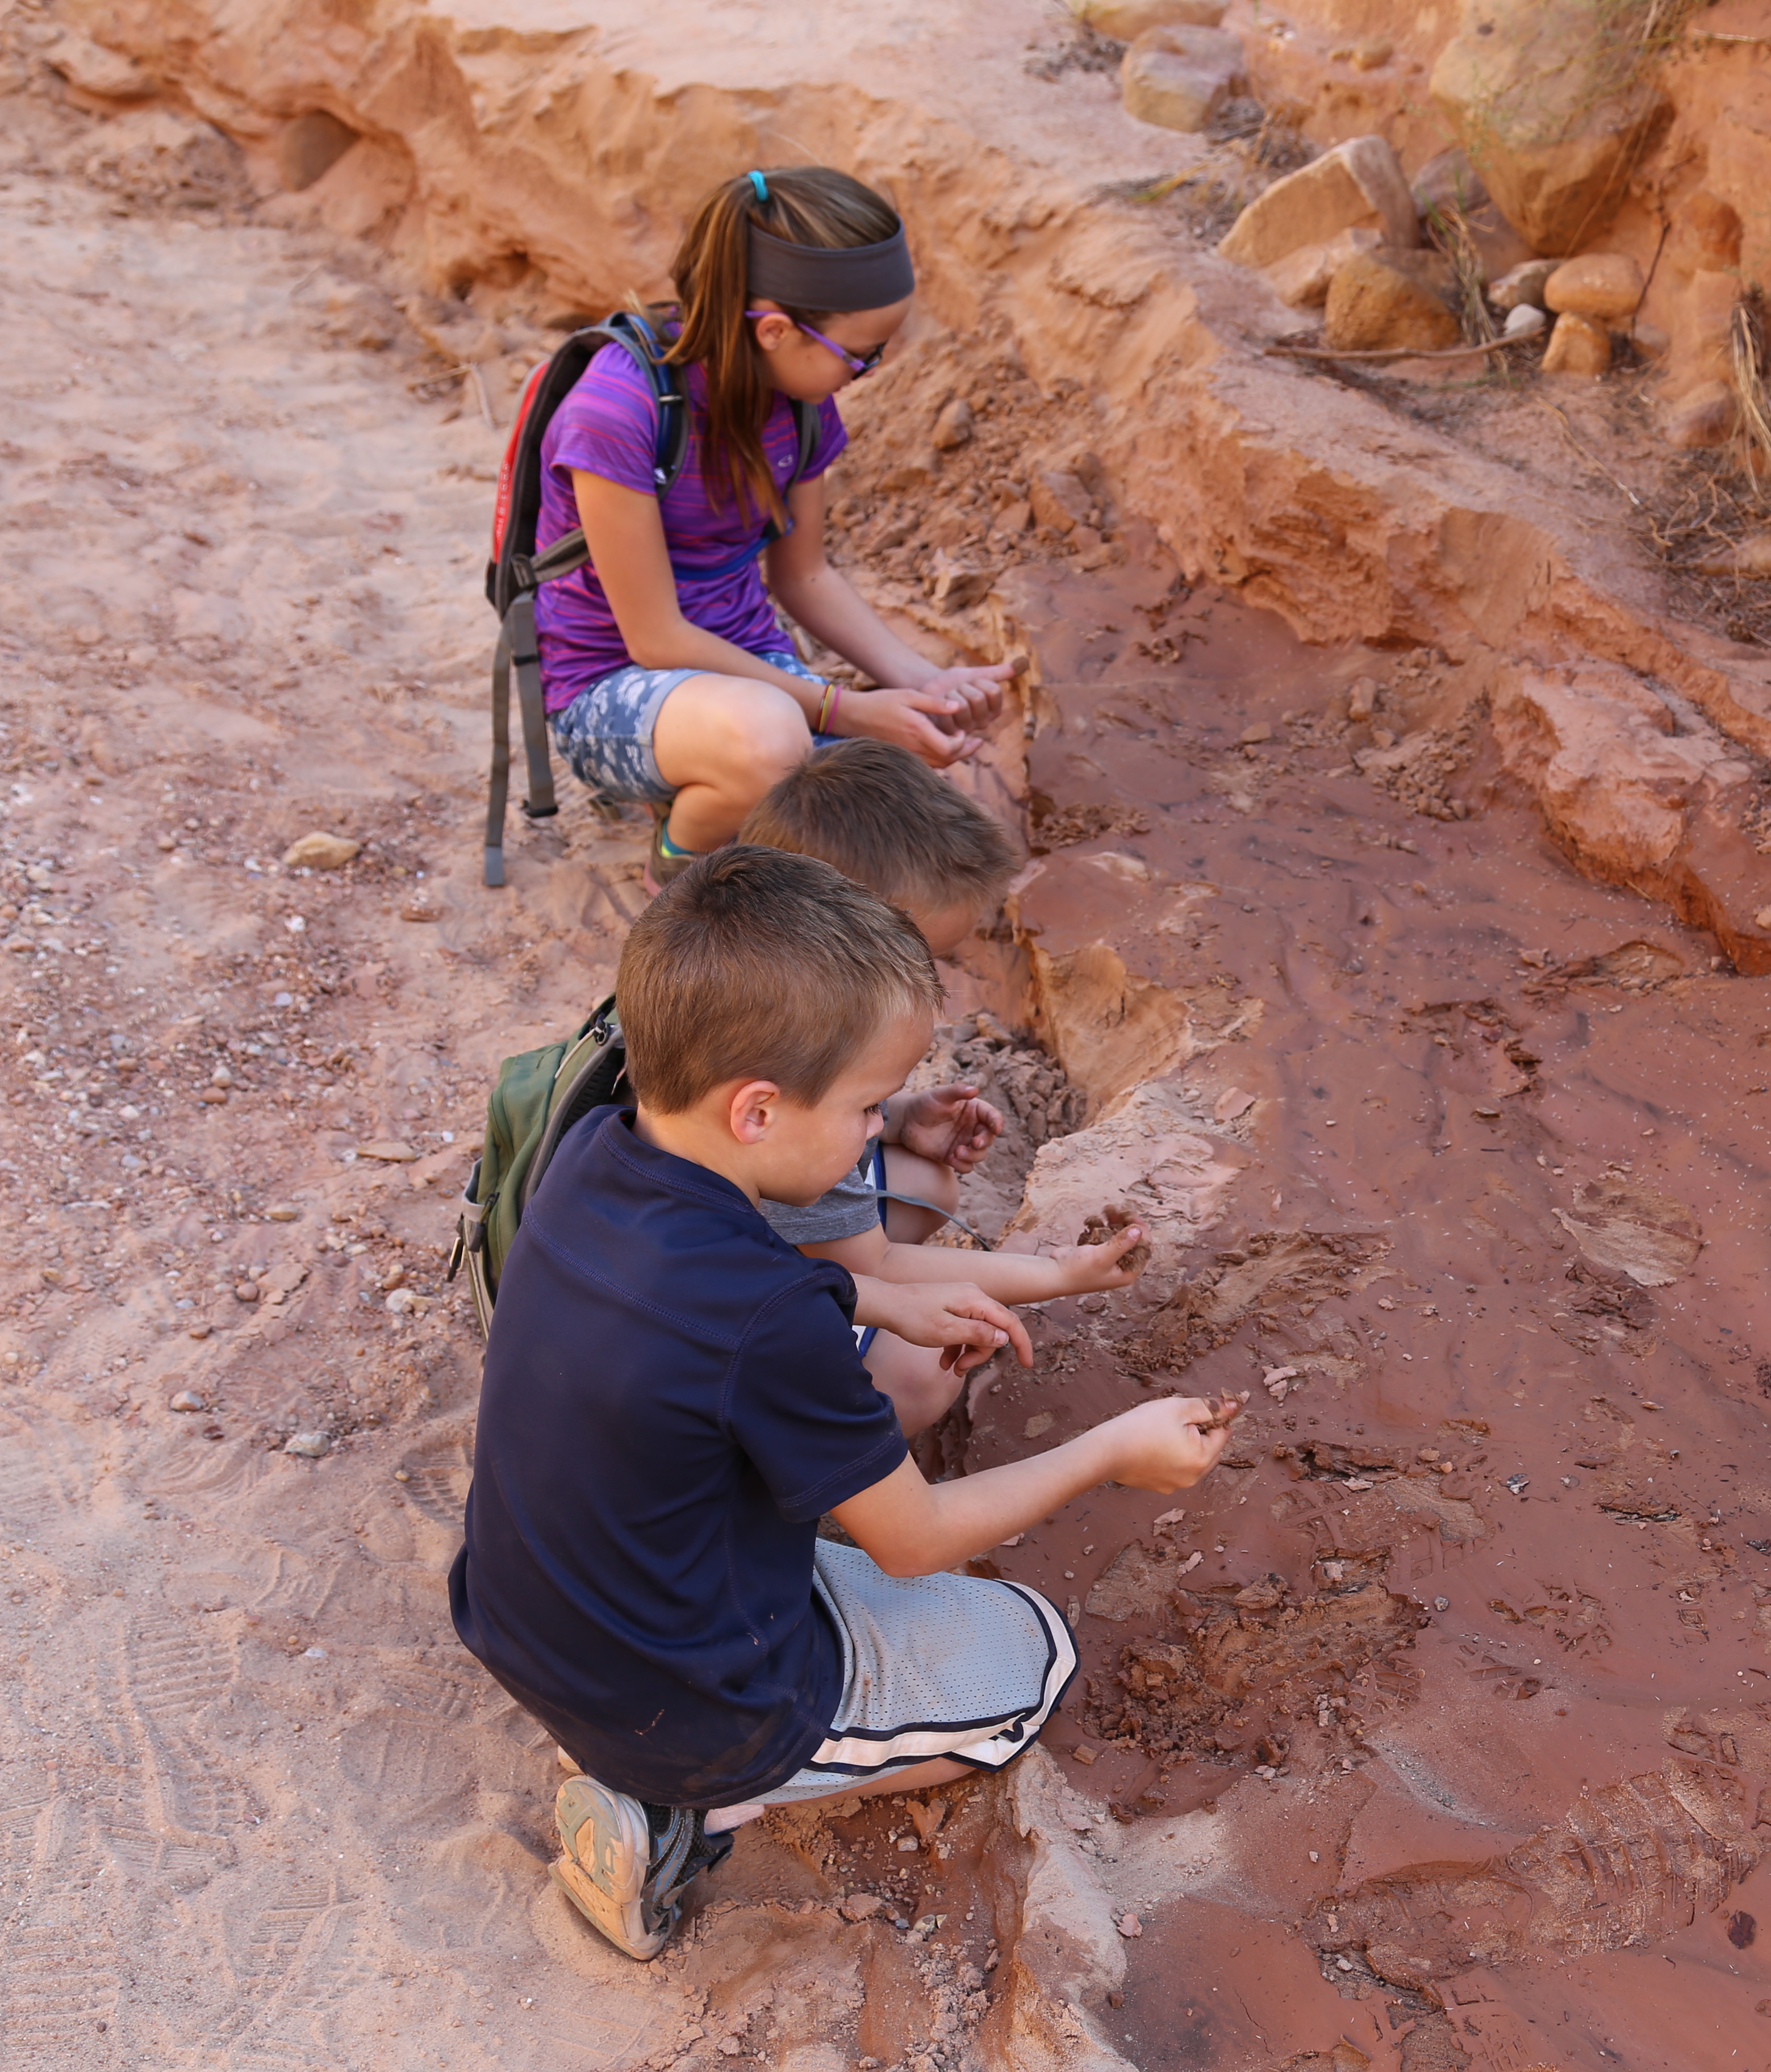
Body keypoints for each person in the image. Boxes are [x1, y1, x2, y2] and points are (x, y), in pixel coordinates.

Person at [448, 847, 1237, 1962]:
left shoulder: (596, 1146)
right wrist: (1113, 1449)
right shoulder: (767, 1320)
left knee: (808, 1491)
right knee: (1034, 1662)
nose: (877, 1134)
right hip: (680, 1704)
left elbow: (716, 1302)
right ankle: (689, 1812)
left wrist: (877, 1296)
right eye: (868, 1108)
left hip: (518, 1616)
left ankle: (648, 1746)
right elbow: (914, 1539)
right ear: (758, 1111)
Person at [533, 165, 1014, 882]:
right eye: (865, 354)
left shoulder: (798, 403)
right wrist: (844, 710)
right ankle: (683, 860)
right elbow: (656, 638)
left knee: (897, 811)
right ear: (776, 330)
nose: (876, 369)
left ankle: (729, 780)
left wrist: (923, 680)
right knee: (773, 744)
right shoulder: (618, 414)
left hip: (747, 672)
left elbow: (806, 576)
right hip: (610, 688)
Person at [738, 740, 1138, 1436]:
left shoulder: (748, 984)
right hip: (721, 1326)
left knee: (928, 1183)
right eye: (918, 957)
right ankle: (819, 1480)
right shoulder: (798, 1101)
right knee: (922, 1375)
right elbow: (882, 1268)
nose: (940, 982)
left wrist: (896, 1118)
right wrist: (1054, 1273)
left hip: (738, 1238)